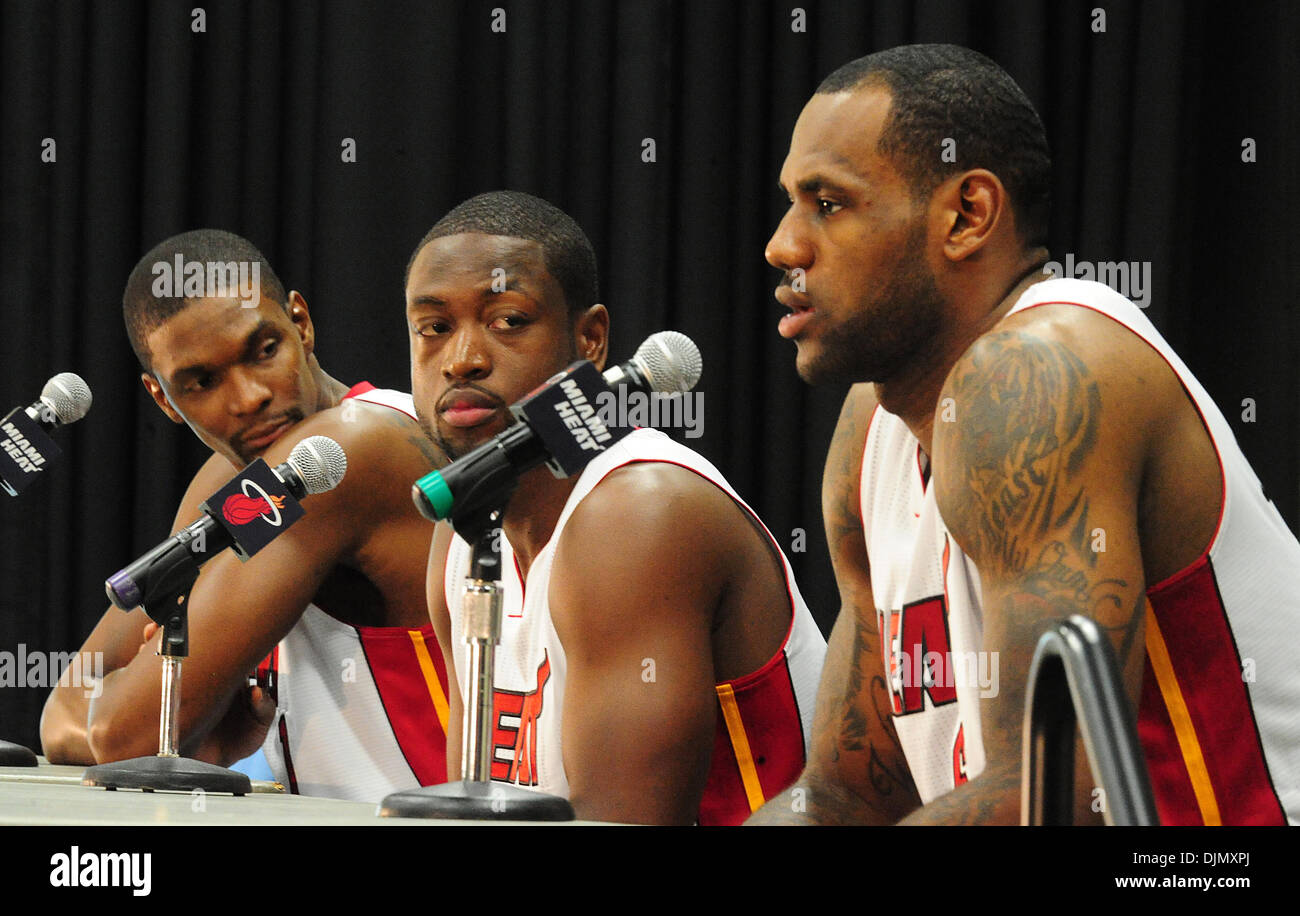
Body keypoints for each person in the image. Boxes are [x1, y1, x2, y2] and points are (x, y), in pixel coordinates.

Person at [750, 44, 1300, 826]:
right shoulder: (872, 425)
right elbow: (845, 794)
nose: (783, 246)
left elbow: (1049, 802)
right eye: (791, 203)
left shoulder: (1049, 370)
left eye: (827, 203)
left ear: (967, 215)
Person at [410, 191, 826, 825]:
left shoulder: (639, 514)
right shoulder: (463, 530)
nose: (462, 359)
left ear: (591, 339)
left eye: (509, 320)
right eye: (434, 329)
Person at [40, 229, 451, 803]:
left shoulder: (351, 452)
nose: (250, 397)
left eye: (263, 351)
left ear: (301, 324)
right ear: (164, 401)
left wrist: (166, 712)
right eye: (202, 382)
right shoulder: (229, 478)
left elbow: (120, 731)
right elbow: (62, 711)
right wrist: (183, 725)